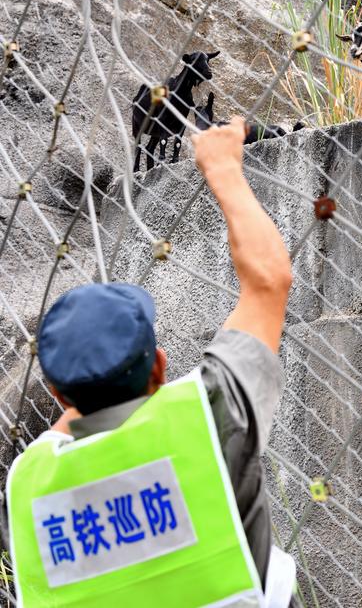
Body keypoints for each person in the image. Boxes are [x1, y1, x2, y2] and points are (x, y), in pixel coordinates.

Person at [7, 117, 296, 607]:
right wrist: (223, 166)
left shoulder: (26, 484)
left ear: (57, 394)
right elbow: (268, 281)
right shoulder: (208, 413)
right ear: (159, 367)